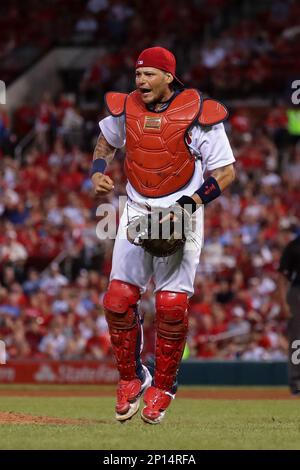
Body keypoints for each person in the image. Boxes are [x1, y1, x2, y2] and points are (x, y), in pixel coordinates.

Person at [91, 46, 236, 424]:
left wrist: (188, 208)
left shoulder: (199, 114)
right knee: (117, 299)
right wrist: (97, 170)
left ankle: (164, 387)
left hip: (184, 209)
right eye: (138, 75)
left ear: (169, 77)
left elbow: (224, 173)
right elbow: (106, 141)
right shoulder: (126, 108)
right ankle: (132, 378)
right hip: (137, 209)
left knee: (171, 305)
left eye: (149, 75)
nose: (140, 81)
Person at [278, 234, 300, 395]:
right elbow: (282, 277)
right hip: (297, 292)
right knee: (297, 340)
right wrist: (284, 303)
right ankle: (296, 381)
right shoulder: (294, 246)